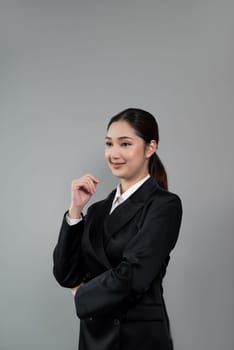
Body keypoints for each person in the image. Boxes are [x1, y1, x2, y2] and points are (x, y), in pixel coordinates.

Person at [53, 108, 182, 350]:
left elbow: (135, 274)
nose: (114, 153)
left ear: (150, 147)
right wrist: (75, 211)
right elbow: (65, 274)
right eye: (109, 144)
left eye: (125, 144)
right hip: (93, 337)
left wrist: (81, 294)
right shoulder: (98, 210)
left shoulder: (164, 205)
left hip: (137, 338)